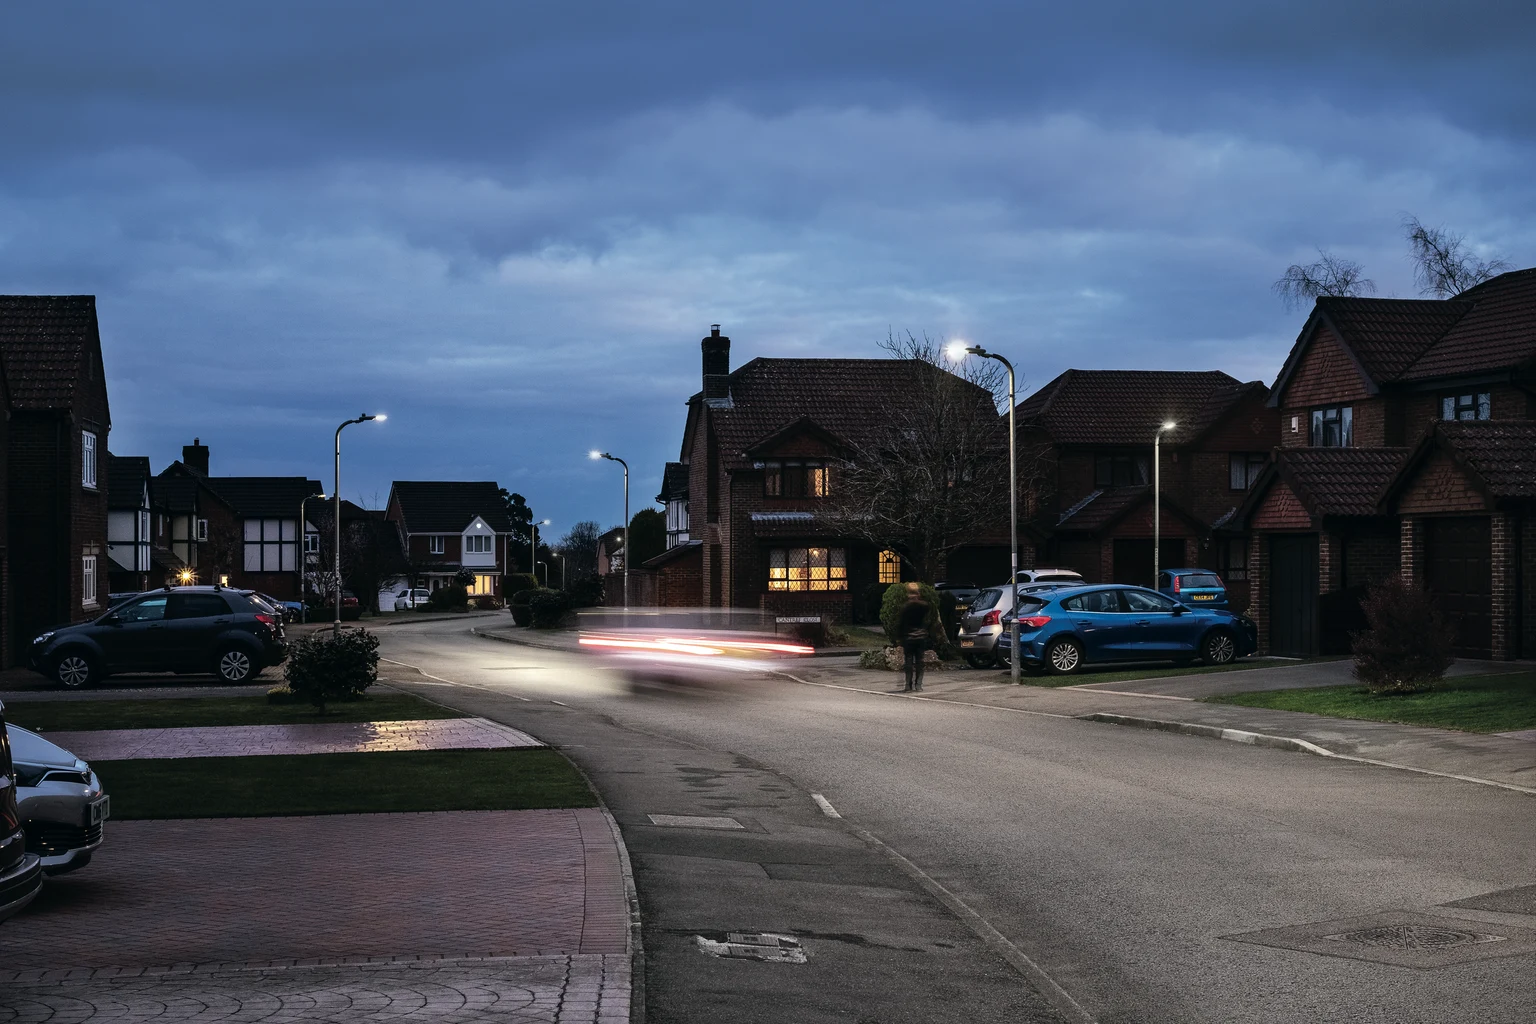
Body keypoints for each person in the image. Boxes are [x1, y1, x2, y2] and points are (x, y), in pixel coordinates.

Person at [898, 582, 932, 692]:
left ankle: (908, 685)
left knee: (908, 662)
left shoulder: (905, 607)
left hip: (908, 637)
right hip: (920, 637)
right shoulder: (923, 606)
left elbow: (901, 623)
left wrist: (899, 637)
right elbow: (928, 608)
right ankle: (918, 684)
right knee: (919, 662)